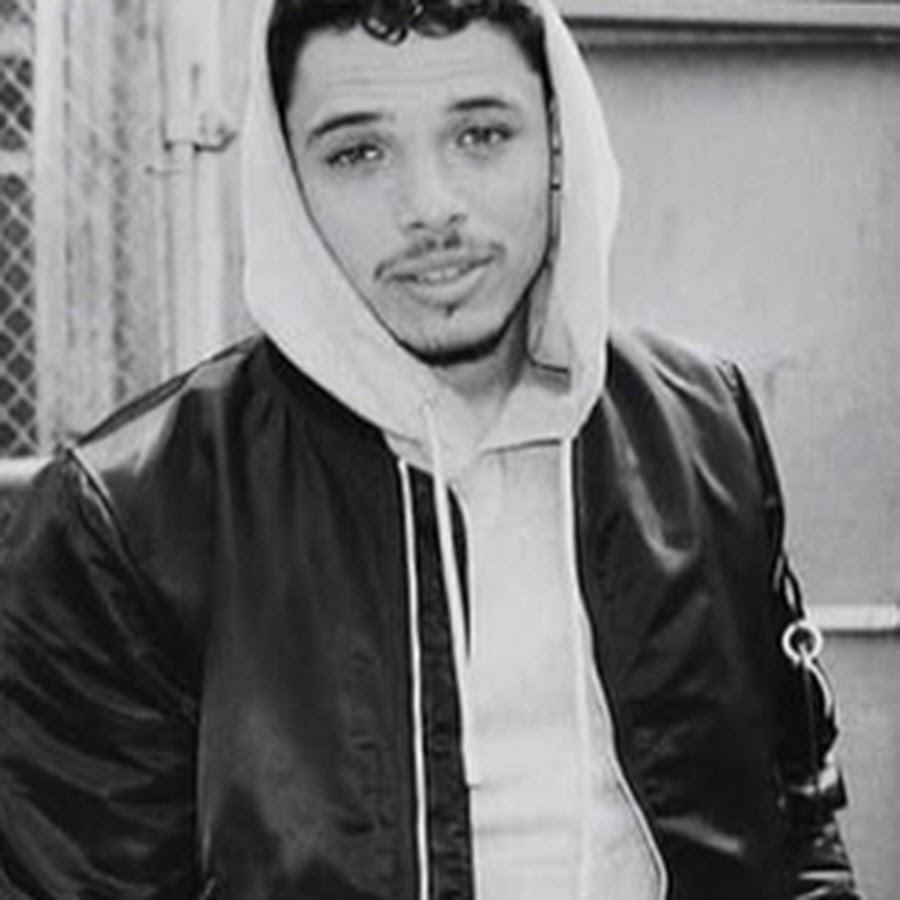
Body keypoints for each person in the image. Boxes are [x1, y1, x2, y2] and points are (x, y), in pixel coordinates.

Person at [0, 0, 862, 897]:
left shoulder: (700, 425)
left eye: (482, 135)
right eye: (358, 153)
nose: (431, 208)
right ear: (288, 182)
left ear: (558, 142)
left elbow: (798, 820)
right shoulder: (130, 519)